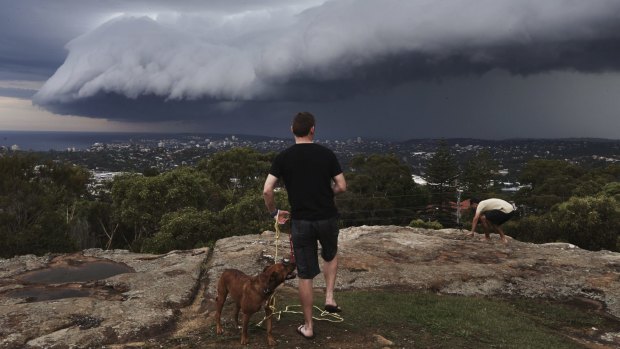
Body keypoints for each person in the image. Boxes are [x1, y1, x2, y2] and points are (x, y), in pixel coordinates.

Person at [263, 112, 347, 340]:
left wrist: (275, 212)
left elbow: (267, 190)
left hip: (301, 222)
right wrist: (326, 193)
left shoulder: (283, 157)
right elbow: (341, 185)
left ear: (292, 129)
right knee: (330, 255)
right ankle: (329, 297)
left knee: (306, 275)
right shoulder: (326, 154)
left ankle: (308, 326)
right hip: (327, 217)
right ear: (313, 129)